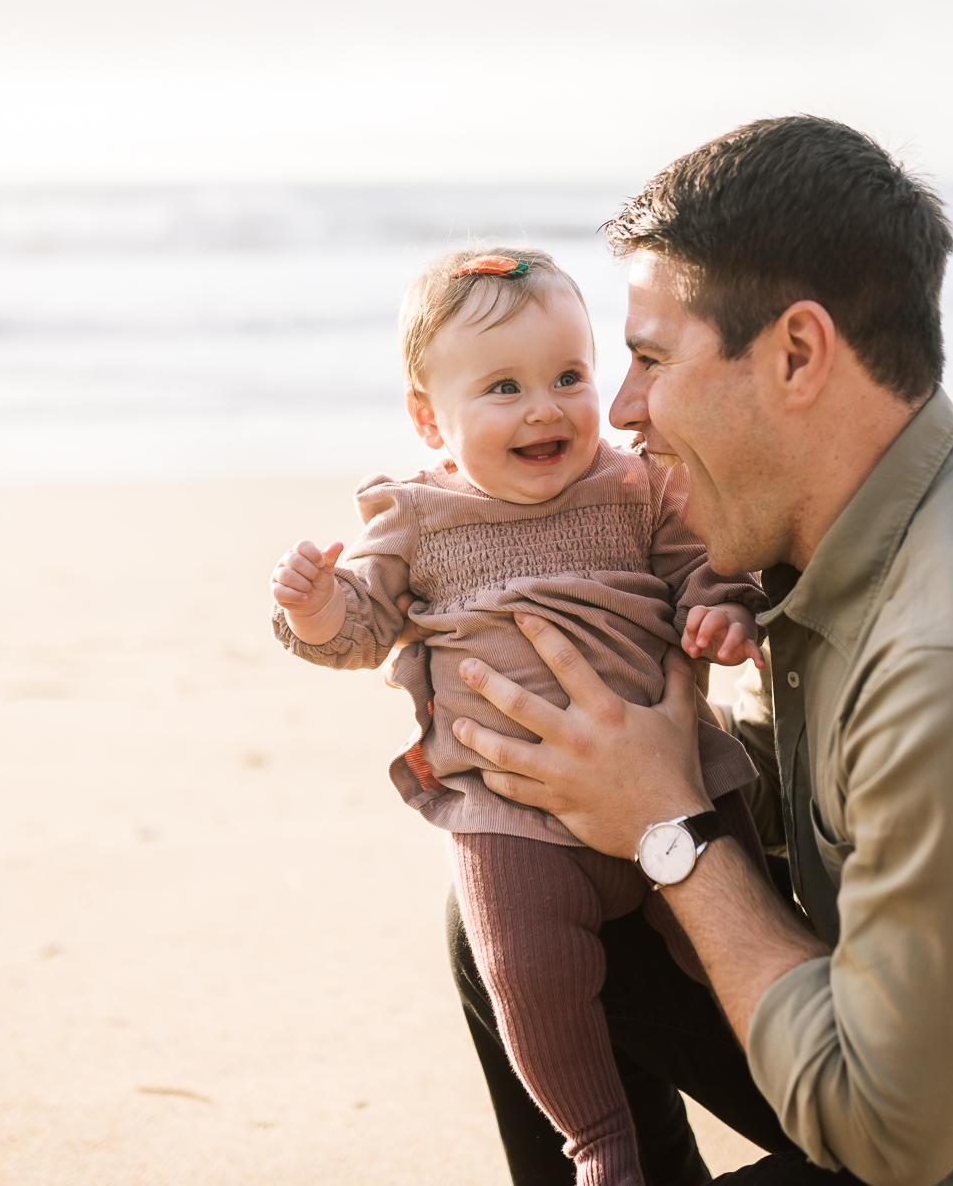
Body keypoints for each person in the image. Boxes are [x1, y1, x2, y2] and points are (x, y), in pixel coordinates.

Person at [446, 117, 953, 1185]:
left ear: (797, 355)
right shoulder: (884, 533)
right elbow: (840, 791)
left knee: (637, 845)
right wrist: (622, 753)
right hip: (951, 1077)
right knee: (520, 882)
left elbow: (886, 1134)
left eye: (651, 359)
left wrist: (669, 823)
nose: (620, 410)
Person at [269, 246, 785, 1186]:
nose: (545, 408)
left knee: (740, 953)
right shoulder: (414, 516)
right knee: (527, 979)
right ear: (429, 418)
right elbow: (361, 629)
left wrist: (719, 609)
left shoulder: (636, 487)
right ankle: (599, 1141)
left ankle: (810, 1097)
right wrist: (315, 609)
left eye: (569, 376)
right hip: (514, 819)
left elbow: (698, 567)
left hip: (676, 777)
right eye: (503, 387)